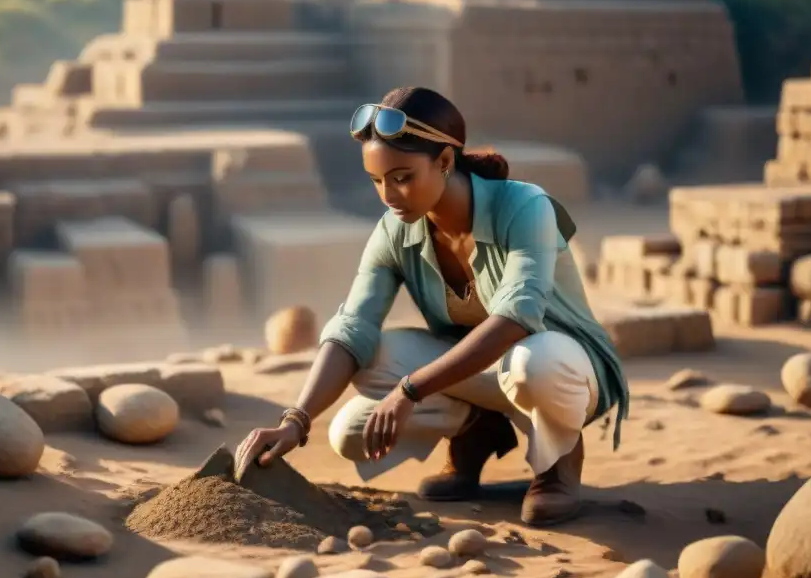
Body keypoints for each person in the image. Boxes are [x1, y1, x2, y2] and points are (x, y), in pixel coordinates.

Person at [234, 87, 629, 526]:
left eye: (402, 177)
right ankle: (475, 430)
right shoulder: (395, 230)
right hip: (482, 374)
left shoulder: (525, 207)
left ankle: (558, 465)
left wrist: (409, 391)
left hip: (563, 368)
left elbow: (516, 318)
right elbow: (354, 324)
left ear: (444, 161)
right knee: (350, 425)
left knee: (532, 363)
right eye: (377, 180)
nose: (388, 194)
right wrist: (295, 421)